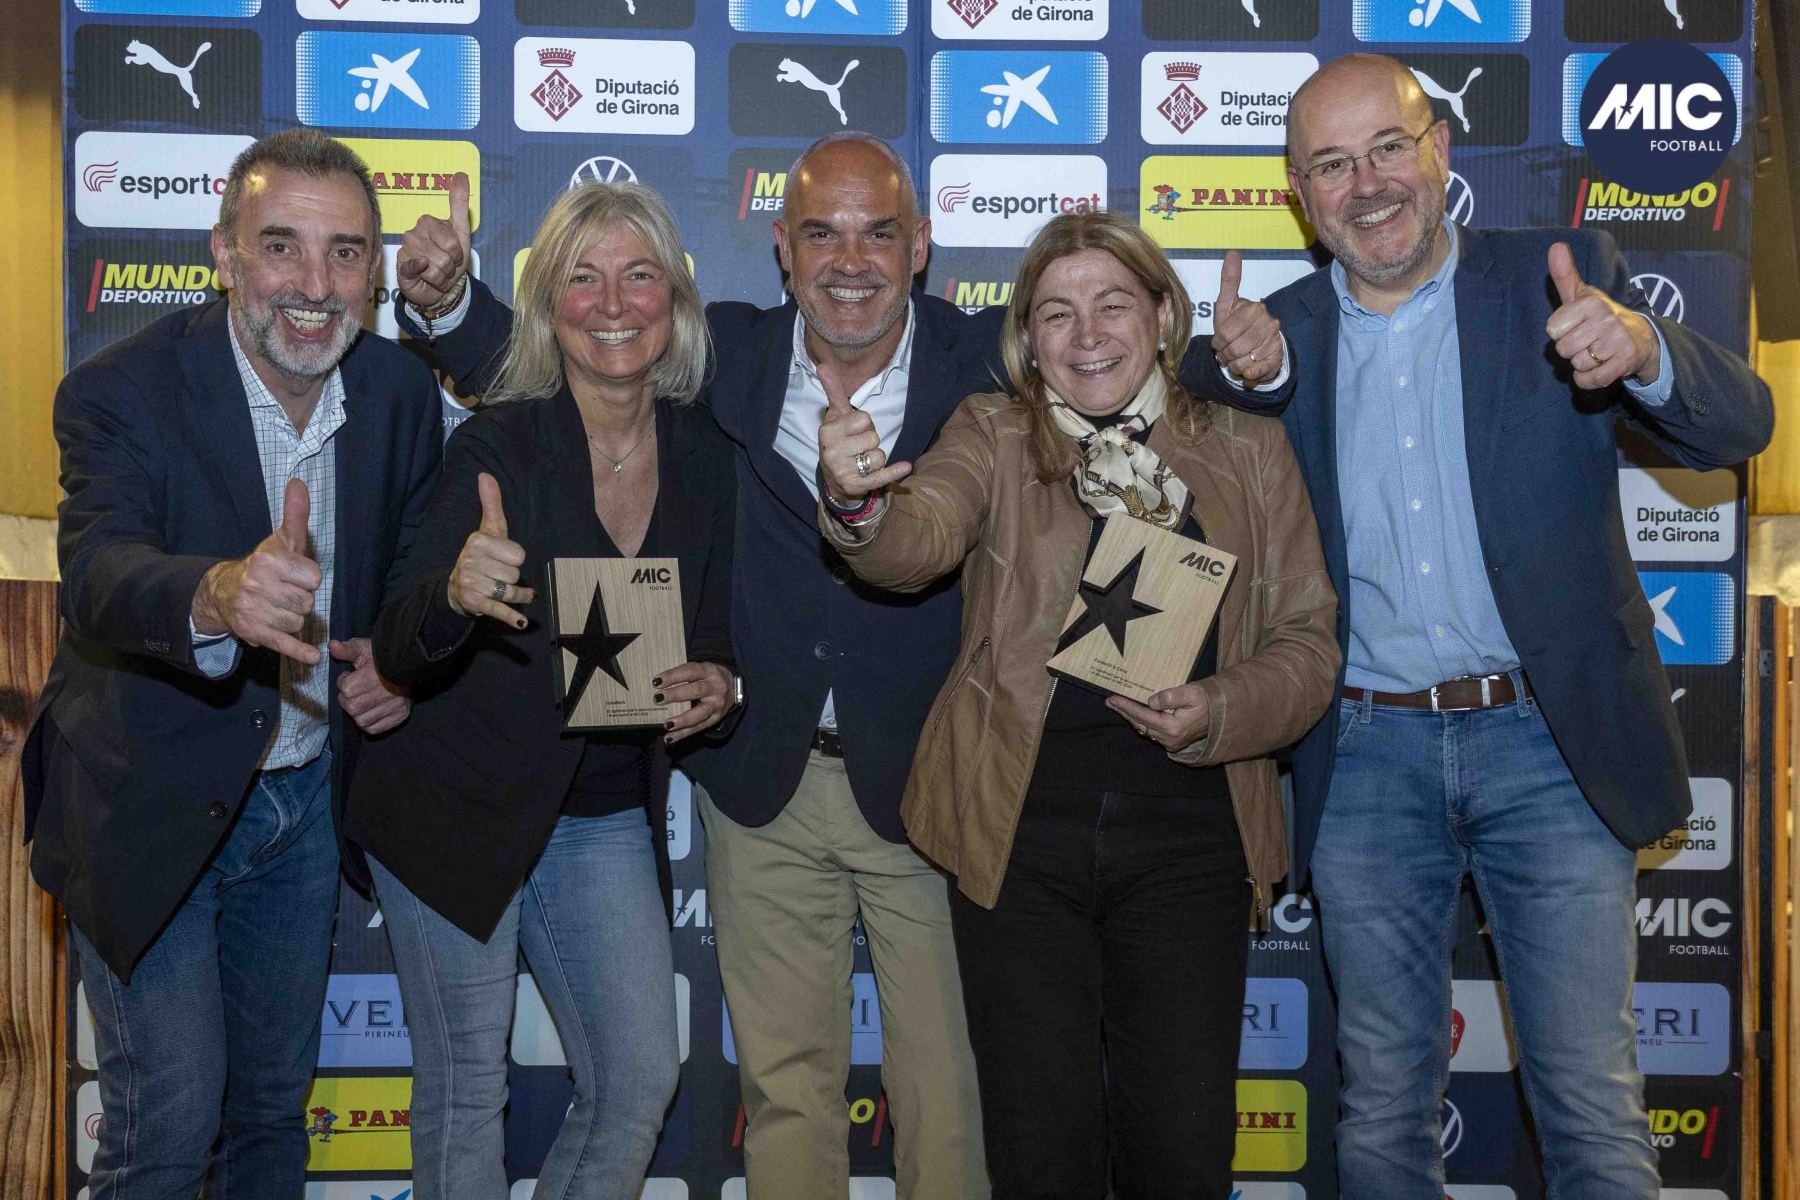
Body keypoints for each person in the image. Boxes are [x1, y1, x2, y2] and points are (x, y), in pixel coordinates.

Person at [389, 131, 1285, 1199]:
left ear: (921, 247)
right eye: (822, 234)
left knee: (951, 1099)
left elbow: (1119, 367)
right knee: (786, 1095)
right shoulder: (725, 354)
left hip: (926, 786)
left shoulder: (986, 363)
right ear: (783, 246)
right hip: (759, 782)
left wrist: (1247, 363)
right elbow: (582, 348)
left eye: (878, 234)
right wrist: (450, 305)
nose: (850, 261)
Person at [1224, 53, 1776, 1199]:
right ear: (1299, 194)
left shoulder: (1558, 282)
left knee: (1590, 1101)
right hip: (1362, 759)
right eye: (1332, 164)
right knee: (1382, 1103)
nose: (1368, 184)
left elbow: (1743, 424)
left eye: (1389, 147)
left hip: (1550, 748)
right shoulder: (1270, 342)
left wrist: (1648, 352)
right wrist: (1243, 384)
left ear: (1440, 151)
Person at [817, 209, 1341, 1198]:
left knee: (1182, 1159)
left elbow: (1308, 648)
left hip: (1193, 842)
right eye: (1057, 313)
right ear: (1027, 336)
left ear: (1162, 316)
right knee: (1038, 1157)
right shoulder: (992, 434)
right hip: (1020, 842)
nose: (1087, 334)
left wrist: (1219, 707)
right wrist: (858, 502)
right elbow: (914, 541)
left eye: (1112, 305)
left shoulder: (1248, 448)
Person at [22, 128, 442, 1197]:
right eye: (281, 246)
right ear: (223, 253)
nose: (315, 286)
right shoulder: (121, 390)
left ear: (375, 270)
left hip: (304, 803)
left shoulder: (397, 393)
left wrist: (399, 661)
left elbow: (405, 564)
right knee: (168, 1124)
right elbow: (98, 571)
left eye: (346, 252)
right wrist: (216, 591)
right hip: (150, 793)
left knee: (271, 1114)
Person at [344, 180, 740, 1200]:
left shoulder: (705, 452)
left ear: (675, 298)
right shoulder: (497, 444)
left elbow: (715, 624)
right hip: (455, 800)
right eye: (582, 279)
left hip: (598, 809)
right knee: (467, 1094)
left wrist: (720, 683)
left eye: (638, 276)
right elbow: (401, 639)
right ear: (547, 306)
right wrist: (454, 594)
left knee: (638, 1083)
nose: (612, 304)